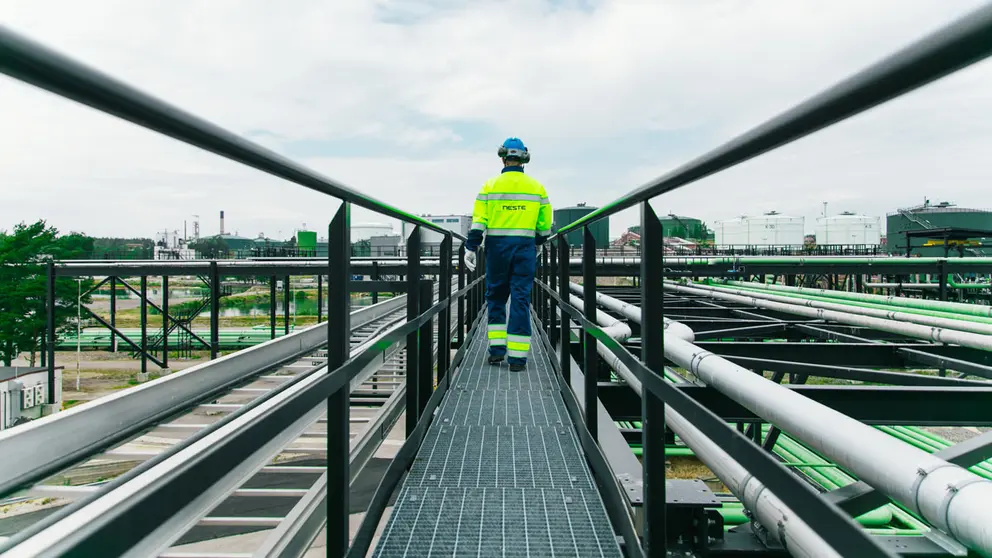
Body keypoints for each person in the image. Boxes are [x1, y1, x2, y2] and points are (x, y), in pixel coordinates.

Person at [464, 137, 552, 372]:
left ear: (503, 158)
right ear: (525, 159)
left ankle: (496, 352)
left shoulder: (489, 186)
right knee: (520, 299)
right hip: (525, 248)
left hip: (496, 248)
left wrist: (471, 247)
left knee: (496, 297)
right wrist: (540, 241)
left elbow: (479, 221)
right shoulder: (537, 188)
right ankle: (518, 359)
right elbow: (545, 225)